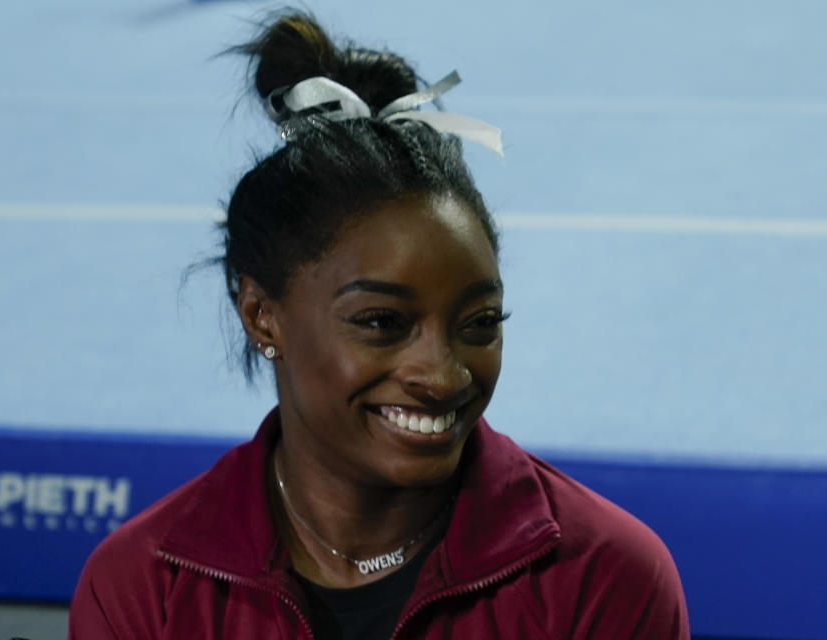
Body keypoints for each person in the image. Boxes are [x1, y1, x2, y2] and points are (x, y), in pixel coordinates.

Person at [68, 11, 689, 640]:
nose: (444, 375)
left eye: (479, 322)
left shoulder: (605, 578)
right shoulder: (146, 592)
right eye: (382, 322)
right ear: (262, 315)